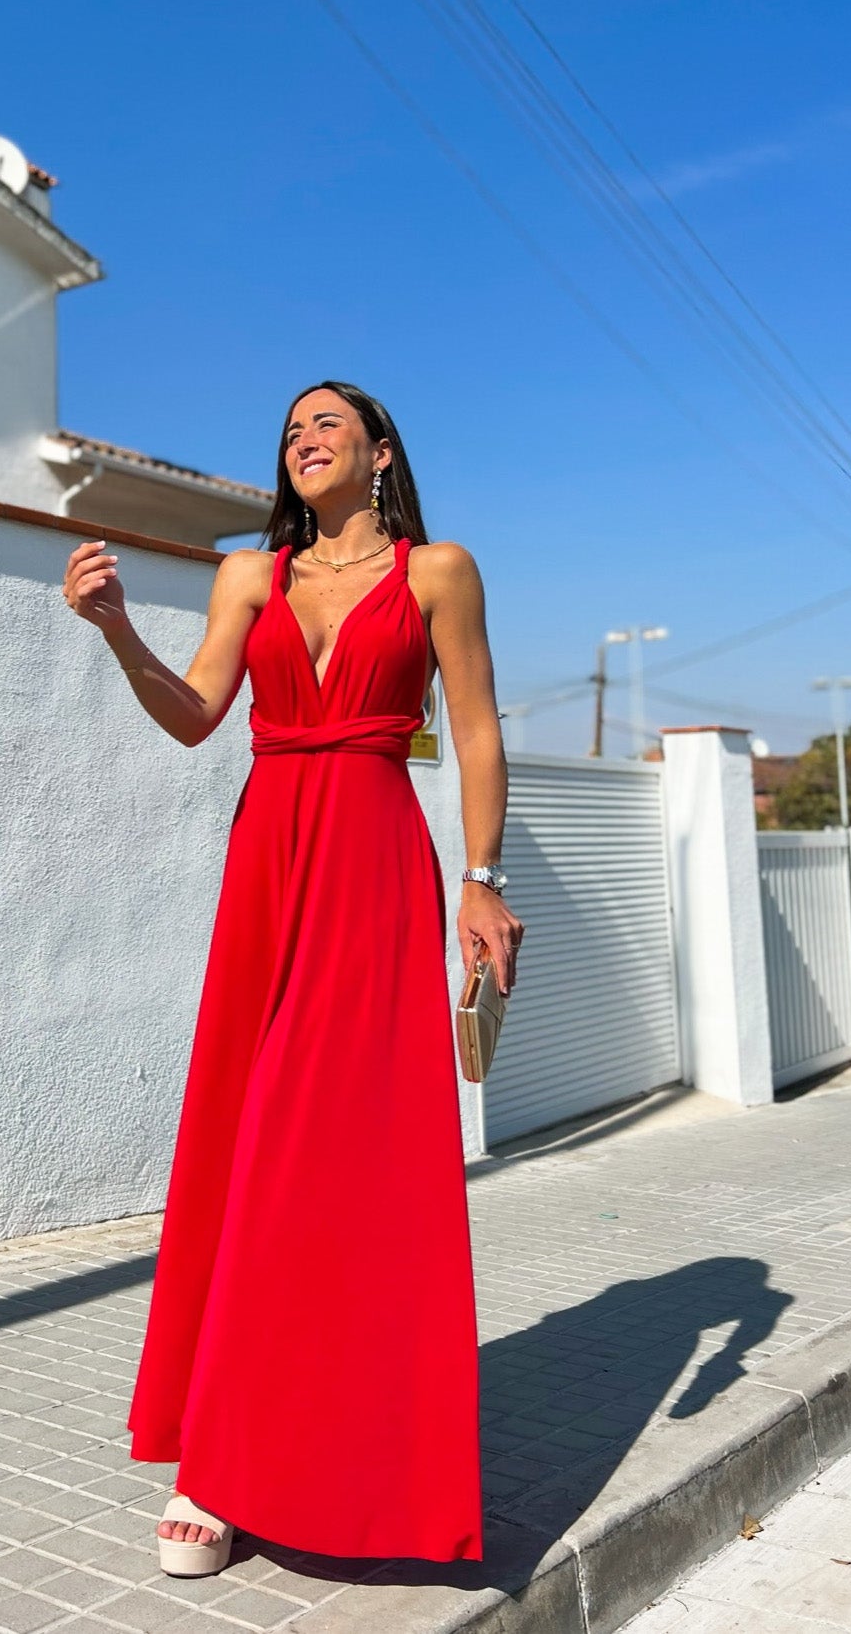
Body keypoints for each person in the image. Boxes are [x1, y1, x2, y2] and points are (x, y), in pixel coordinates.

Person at [61, 381, 523, 1575]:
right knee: (246, 1136)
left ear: (378, 454)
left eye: (327, 426)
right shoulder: (247, 578)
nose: (302, 440)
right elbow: (194, 713)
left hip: (372, 858)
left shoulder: (438, 574)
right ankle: (216, 1462)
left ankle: (360, 1457)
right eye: (288, 432)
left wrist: (479, 878)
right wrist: (118, 632)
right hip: (268, 862)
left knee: (352, 1157)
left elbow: (472, 728)